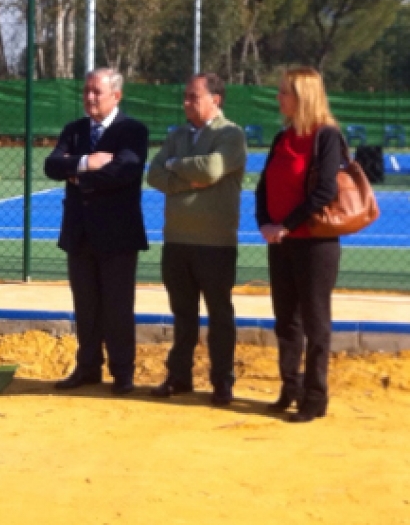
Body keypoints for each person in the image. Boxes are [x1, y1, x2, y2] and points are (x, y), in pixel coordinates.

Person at [44, 68, 149, 395]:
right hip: (79, 234)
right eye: (86, 91)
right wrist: (88, 162)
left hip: (118, 236)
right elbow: (51, 165)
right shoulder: (74, 130)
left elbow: (125, 170)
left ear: (116, 96)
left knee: (117, 308)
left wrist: (77, 176)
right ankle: (88, 368)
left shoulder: (132, 130)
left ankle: (123, 372)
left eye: (96, 92)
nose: (89, 97)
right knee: (85, 307)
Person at [146, 73, 247, 406]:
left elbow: (213, 170)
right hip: (177, 242)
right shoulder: (177, 135)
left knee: (219, 315)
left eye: (193, 97)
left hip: (215, 244)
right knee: (182, 315)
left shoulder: (231, 134)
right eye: (186, 96)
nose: (186, 102)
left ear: (215, 99)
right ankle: (179, 377)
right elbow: (155, 173)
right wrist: (186, 181)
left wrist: (177, 167)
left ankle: (222, 382)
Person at [255, 67, 343, 423]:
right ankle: (290, 387)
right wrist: (264, 222)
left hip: (314, 245)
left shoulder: (326, 136)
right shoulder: (283, 137)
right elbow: (264, 184)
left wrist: (286, 226)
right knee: (285, 321)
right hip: (280, 241)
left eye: (284, 93)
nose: (279, 98)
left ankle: (315, 396)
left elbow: (325, 191)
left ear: (303, 96)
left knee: (315, 322)